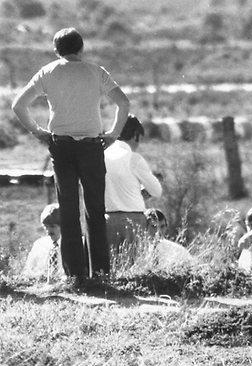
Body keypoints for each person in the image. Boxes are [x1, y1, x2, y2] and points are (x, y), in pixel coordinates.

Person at [12, 28, 130, 279]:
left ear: (56, 50)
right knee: (95, 211)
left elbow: (18, 105)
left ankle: (74, 276)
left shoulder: (48, 72)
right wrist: (113, 134)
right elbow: (124, 103)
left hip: (61, 146)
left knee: (68, 211)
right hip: (91, 146)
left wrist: (37, 131)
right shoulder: (96, 72)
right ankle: (100, 273)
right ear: (81, 48)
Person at [105, 115, 162, 260]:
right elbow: (157, 191)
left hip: (106, 219)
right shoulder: (134, 158)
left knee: (110, 270)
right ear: (135, 135)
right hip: (133, 220)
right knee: (132, 271)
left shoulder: (101, 156)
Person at [23, 204, 65, 280]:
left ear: (63, 226)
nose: (48, 231)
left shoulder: (75, 244)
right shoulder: (39, 245)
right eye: (45, 227)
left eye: (52, 227)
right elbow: (27, 272)